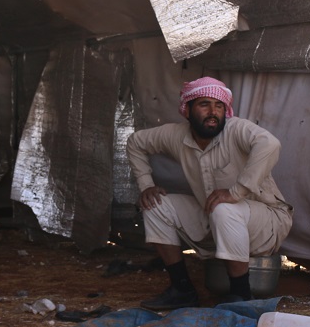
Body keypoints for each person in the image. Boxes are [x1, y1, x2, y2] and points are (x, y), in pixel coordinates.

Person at [126, 77, 294, 310]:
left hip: (267, 222)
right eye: (204, 104)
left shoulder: (236, 129)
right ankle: (182, 289)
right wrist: (146, 185)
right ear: (187, 110)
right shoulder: (177, 135)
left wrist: (237, 192)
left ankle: (241, 295)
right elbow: (135, 142)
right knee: (155, 205)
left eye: (219, 106)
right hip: (217, 217)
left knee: (223, 208)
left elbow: (270, 144)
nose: (213, 112)